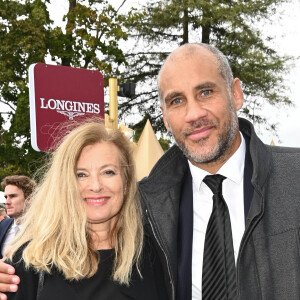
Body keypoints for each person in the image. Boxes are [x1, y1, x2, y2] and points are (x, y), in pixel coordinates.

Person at [0, 42, 299, 300]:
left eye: (206, 92)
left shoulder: (293, 178)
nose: (194, 114)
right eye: (177, 101)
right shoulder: (152, 206)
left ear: (235, 94)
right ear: (166, 119)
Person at [2, 120, 167, 300]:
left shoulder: (156, 254)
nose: (95, 186)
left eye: (108, 172)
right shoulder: (30, 261)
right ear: (65, 184)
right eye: (81, 175)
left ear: (126, 183)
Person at [0, 176, 36, 259]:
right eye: (6, 197)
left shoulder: (43, 229)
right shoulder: (3, 225)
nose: (7, 202)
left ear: (29, 199)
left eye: (12, 196)